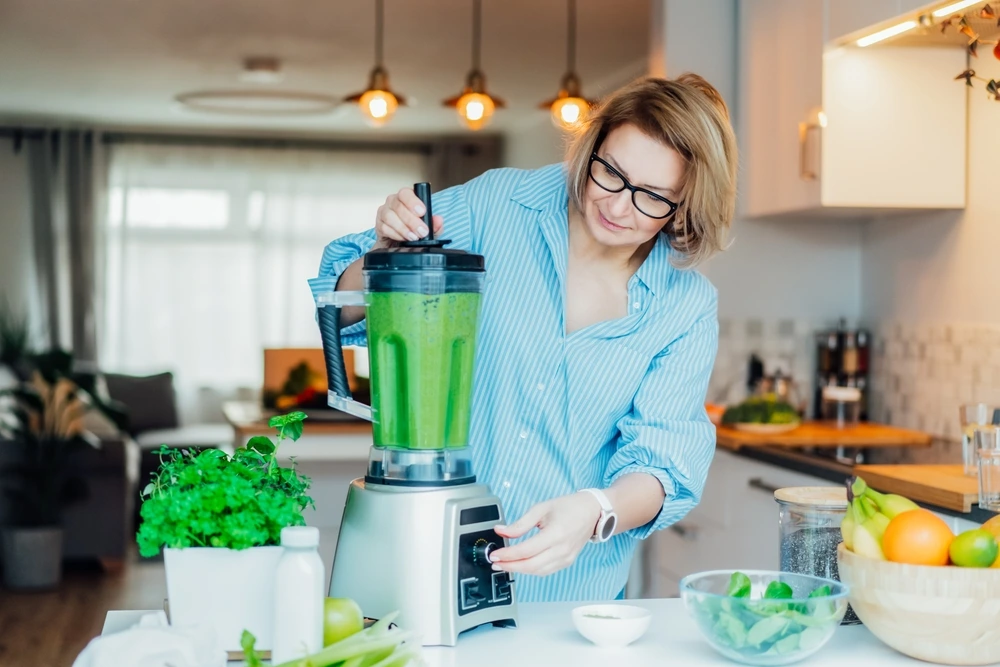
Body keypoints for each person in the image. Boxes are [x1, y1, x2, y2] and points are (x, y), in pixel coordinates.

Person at [309, 73, 738, 603]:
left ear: (686, 205)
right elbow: (347, 307)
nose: (619, 206)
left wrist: (597, 511)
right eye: (611, 173)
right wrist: (383, 252)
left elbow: (662, 465)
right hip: (428, 567)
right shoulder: (497, 204)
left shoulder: (684, 306)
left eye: (653, 196)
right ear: (592, 146)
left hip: (568, 594)